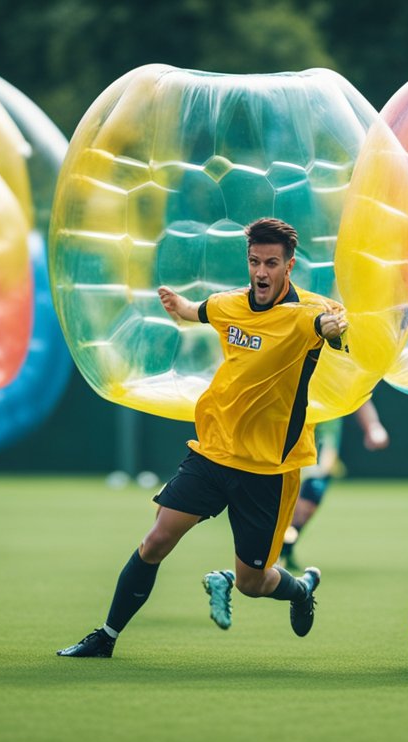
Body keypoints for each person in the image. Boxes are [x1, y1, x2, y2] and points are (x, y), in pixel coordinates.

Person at [57, 217, 348, 658]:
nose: (262, 272)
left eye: (272, 263)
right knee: (156, 540)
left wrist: (333, 329)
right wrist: (180, 306)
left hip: (268, 468)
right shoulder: (228, 304)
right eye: (255, 262)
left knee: (251, 582)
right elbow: (201, 312)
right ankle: (106, 636)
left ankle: (301, 589)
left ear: (289, 266)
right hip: (214, 452)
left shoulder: (309, 315)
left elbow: (333, 324)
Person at [275, 399, 389, 573]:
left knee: (310, 499)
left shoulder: (341, 372)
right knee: (284, 496)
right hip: (289, 431)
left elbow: (360, 392)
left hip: (323, 439)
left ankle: (285, 547)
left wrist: (373, 426)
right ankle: (274, 549)